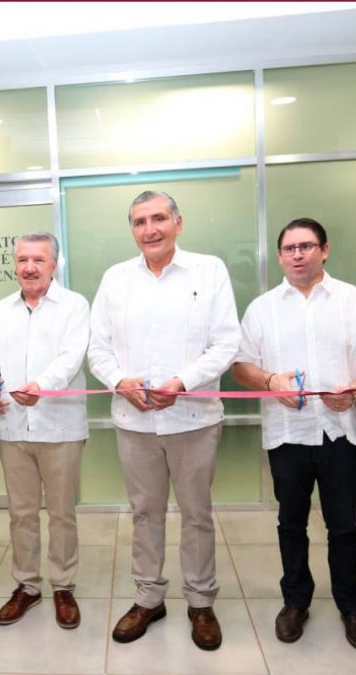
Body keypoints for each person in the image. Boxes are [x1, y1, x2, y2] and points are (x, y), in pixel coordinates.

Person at [88, 190, 240, 651]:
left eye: (158, 219)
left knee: (196, 514)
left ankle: (200, 601)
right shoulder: (115, 279)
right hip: (134, 422)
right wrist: (120, 382)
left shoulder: (208, 270)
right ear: (132, 229)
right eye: (139, 222)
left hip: (192, 417)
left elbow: (225, 343)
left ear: (178, 222)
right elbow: (98, 348)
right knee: (144, 513)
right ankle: (149, 597)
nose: (149, 229)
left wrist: (182, 382)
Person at [232, 219, 356, 651]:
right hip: (287, 434)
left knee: (343, 526)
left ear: (325, 250)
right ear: (280, 256)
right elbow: (241, 365)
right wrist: (269, 381)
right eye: (289, 248)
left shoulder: (354, 301)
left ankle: (350, 605)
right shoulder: (262, 308)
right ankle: (295, 601)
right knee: (291, 523)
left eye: (306, 246)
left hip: (340, 433)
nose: (297, 255)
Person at [0, 232, 89, 629]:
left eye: (38, 260)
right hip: (13, 427)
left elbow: (71, 358)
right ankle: (27, 585)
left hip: (60, 426)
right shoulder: (2, 309)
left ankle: (62, 585)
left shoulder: (74, 306)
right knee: (21, 513)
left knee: (61, 513)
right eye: (22, 259)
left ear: (54, 264)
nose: (29, 267)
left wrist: (42, 384)